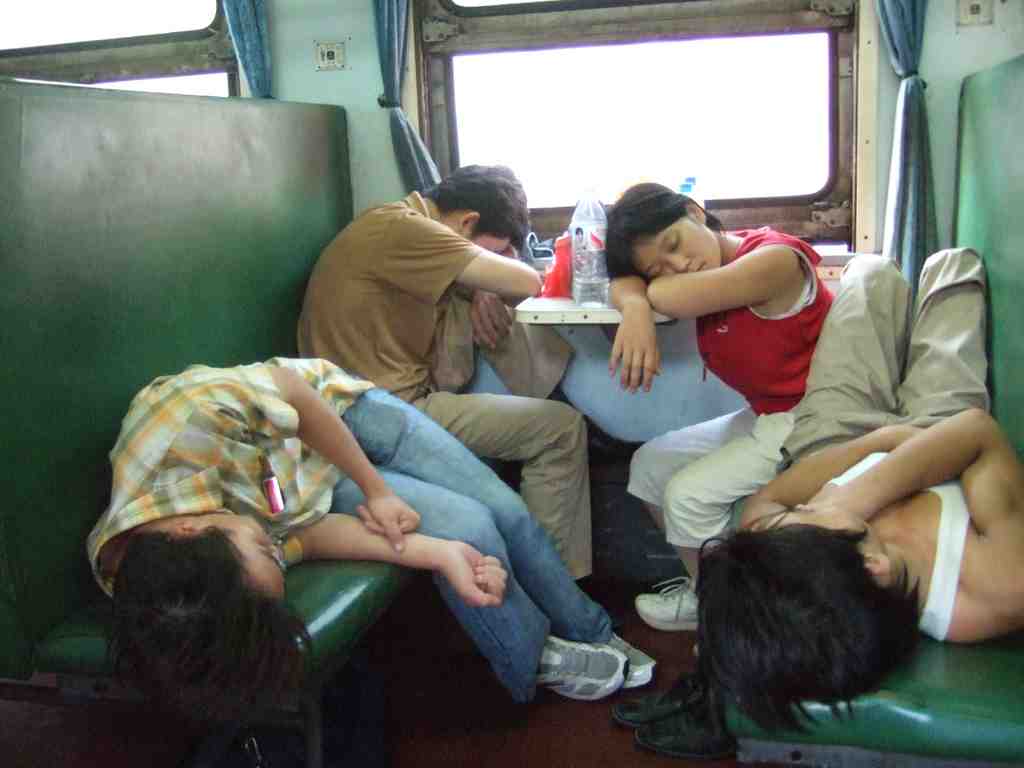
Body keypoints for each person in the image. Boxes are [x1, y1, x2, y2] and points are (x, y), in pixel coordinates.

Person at [88, 358, 655, 722]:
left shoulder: (186, 420)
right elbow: (302, 539)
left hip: (338, 415)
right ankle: (541, 655)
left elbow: (292, 391)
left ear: (192, 527)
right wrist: (440, 553)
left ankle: (592, 631)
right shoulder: (166, 584)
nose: (271, 546)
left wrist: (376, 491)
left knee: (507, 510)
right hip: (306, 485)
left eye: (263, 548)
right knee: (472, 531)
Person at [611, 247, 992, 753]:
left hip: (840, 451)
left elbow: (770, 504)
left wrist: (844, 497)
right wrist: (875, 452)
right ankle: (720, 671)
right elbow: (970, 433)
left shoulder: (980, 590)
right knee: (892, 269)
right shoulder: (970, 581)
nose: (674, 261)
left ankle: (719, 675)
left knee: (939, 265)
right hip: (903, 445)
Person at [298, 165, 595, 579]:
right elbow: (528, 280)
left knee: (483, 313)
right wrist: (484, 277)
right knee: (561, 430)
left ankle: (554, 578)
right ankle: (558, 582)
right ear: (468, 221)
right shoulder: (402, 228)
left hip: (372, 401)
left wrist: (476, 285)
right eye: (497, 249)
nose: (500, 258)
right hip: (380, 411)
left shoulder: (397, 225)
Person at [695, 407, 1024, 732]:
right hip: (935, 407)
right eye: (808, 511)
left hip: (866, 423)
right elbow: (976, 431)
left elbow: (762, 504)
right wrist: (853, 495)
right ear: (872, 566)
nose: (809, 505)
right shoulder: (996, 586)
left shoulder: (815, 544)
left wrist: (888, 441)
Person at [603, 182, 833, 631]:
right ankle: (706, 592)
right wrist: (634, 303)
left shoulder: (775, 260)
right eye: (658, 267)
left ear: (694, 210)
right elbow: (624, 282)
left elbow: (671, 296)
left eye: (674, 244)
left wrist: (644, 296)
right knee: (649, 465)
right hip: (769, 414)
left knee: (686, 497)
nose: (677, 265)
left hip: (810, 417)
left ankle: (726, 623)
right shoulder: (706, 272)